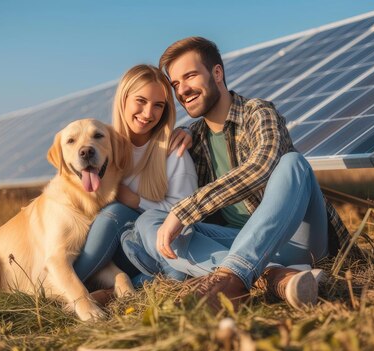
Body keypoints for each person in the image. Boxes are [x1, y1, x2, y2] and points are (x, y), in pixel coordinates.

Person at [122, 37, 349, 311]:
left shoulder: (258, 112)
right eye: (176, 84)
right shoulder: (193, 137)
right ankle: (272, 276)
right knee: (150, 222)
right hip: (237, 242)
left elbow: (261, 166)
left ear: (217, 73)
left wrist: (184, 212)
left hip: (294, 237)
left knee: (293, 163)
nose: (182, 90)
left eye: (190, 76)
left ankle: (237, 274)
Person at [72, 64, 198, 293]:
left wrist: (135, 201)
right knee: (113, 214)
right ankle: (70, 283)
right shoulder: (100, 145)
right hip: (104, 249)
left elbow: (187, 213)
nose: (148, 113)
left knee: (178, 272)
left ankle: (107, 291)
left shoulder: (173, 152)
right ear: (124, 99)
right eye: (141, 101)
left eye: (158, 106)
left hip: (151, 249)